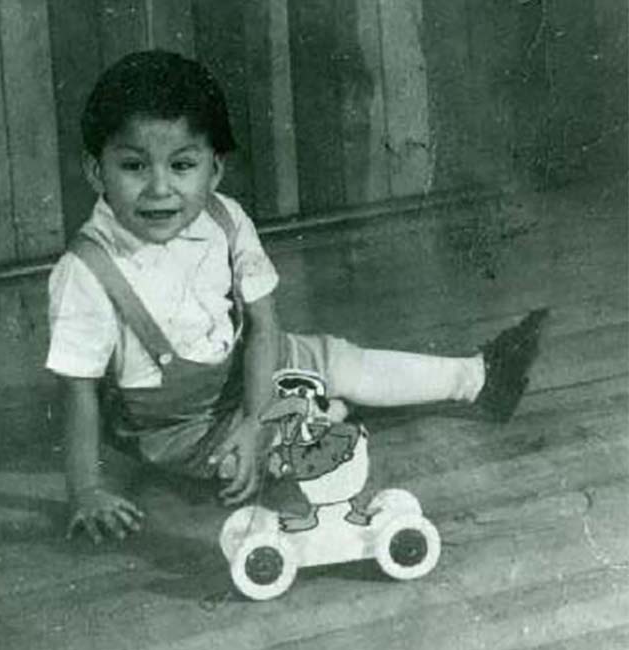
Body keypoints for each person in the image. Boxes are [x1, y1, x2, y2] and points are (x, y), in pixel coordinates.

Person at [46, 50, 547, 546]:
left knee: (339, 359)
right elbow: (79, 392)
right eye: (134, 166)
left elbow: (263, 326)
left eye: (182, 165)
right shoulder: (87, 270)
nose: (159, 188)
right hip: (179, 422)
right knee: (286, 451)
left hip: (252, 361)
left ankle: (476, 378)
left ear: (214, 170)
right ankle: (324, 411)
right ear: (96, 172)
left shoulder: (225, 219)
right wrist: (86, 489)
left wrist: (253, 416)